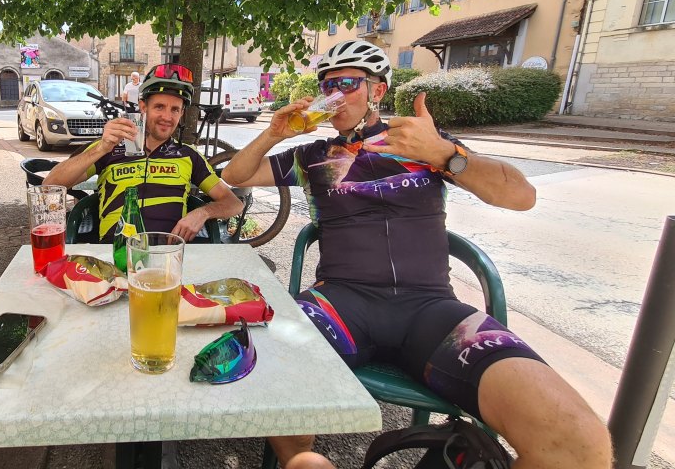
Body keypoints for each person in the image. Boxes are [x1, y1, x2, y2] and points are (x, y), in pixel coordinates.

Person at [222, 40, 612, 469]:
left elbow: (521, 196)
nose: (334, 95)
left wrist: (444, 154)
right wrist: (274, 134)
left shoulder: (421, 143)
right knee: (270, 367)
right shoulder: (313, 156)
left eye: (348, 83)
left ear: (378, 91)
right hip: (339, 304)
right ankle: (299, 458)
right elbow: (236, 175)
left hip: (431, 310)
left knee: (579, 442)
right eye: (327, 86)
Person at [44, 63, 242, 243]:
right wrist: (101, 148)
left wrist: (203, 213)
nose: (167, 117)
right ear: (143, 107)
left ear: (182, 113)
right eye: (159, 107)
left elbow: (234, 203)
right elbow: (50, 185)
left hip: (168, 256)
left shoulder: (188, 154)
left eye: (175, 109)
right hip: (116, 253)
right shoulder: (110, 146)